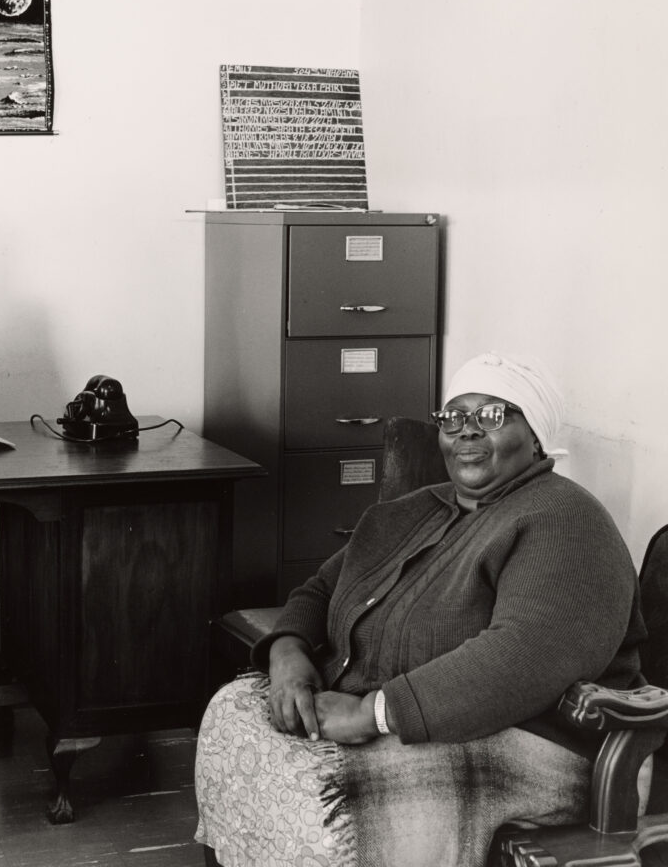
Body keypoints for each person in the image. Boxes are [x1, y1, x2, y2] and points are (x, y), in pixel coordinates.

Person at [194, 352, 646, 867]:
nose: (467, 431)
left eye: (492, 415)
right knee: (232, 712)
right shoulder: (412, 511)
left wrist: (373, 714)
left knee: (319, 785)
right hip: (417, 721)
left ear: (535, 433)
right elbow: (321, 589)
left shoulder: (564, 516)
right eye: (453, 417)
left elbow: (526, 654)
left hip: (538, 744)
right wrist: (288, 655)